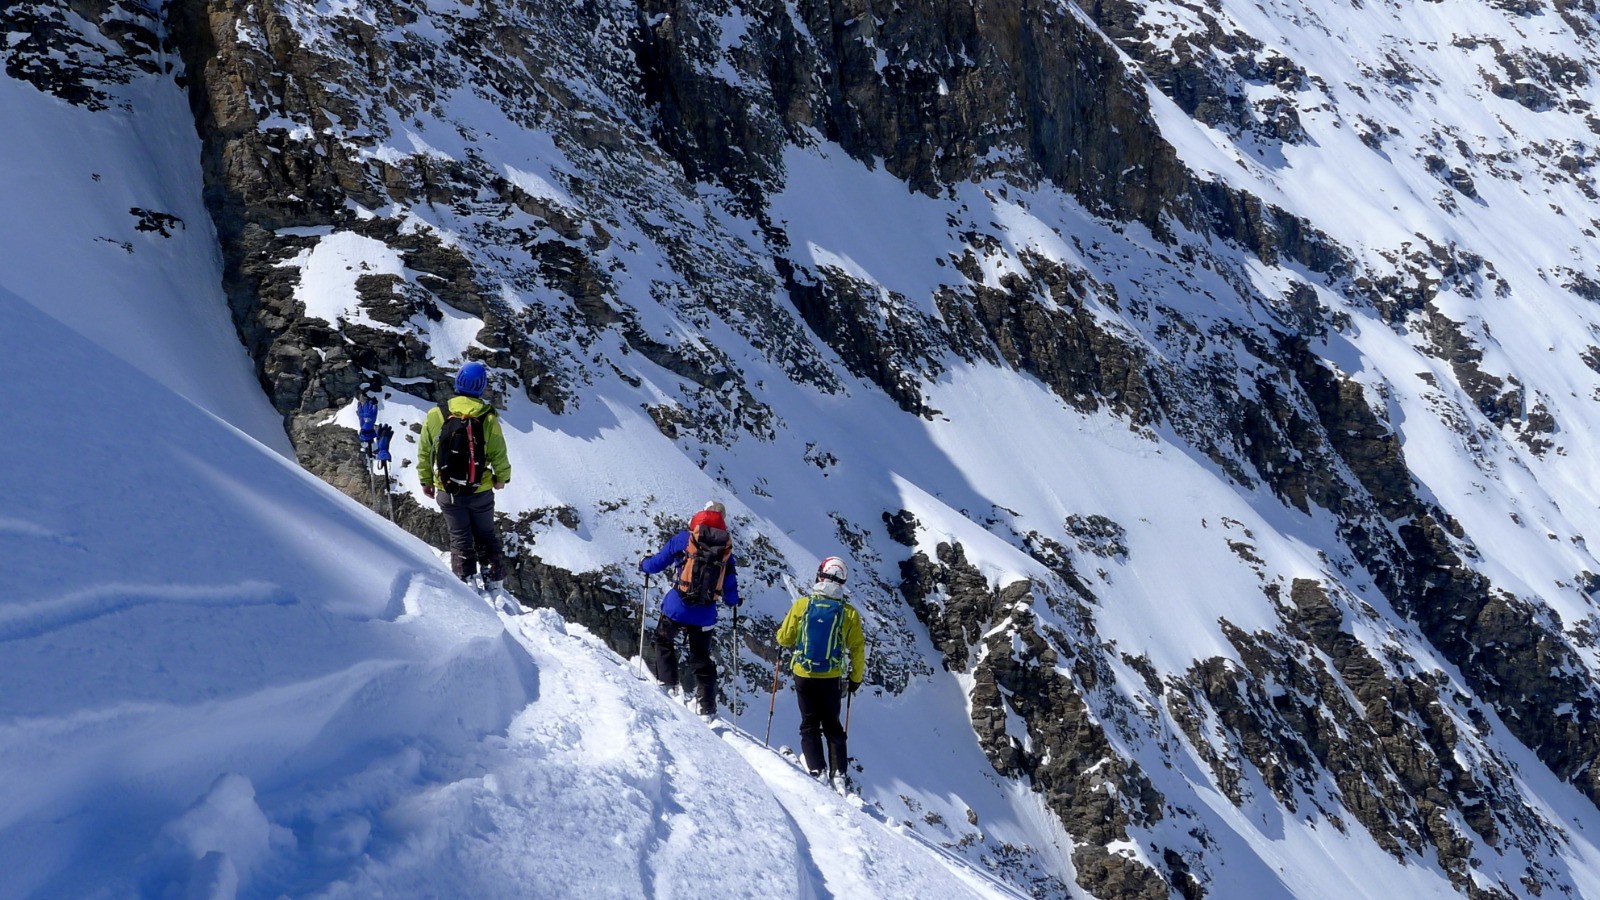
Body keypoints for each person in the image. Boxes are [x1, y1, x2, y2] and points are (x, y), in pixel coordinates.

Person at [640, 501, 741, 718]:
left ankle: (668, 685)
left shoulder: (684, 539)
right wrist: (733, 602)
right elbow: (730, 587)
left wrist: (643, 564)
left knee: (663, 640)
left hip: (677, 607)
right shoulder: (726, 550)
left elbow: (657, 563)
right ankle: (707, 708)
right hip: (705, 615)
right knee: (701, 659)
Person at [417, 361, 511, 587]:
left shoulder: (436, 414)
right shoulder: (488, 417)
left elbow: (425, 452)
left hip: (448, 491)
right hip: (481, 490)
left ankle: (465, 582)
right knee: (486, 534)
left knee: (460, 538)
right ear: (481, 387)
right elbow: (499, 452)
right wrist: (501, 478)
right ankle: (494, 581)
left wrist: (426, 480)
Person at [776, 556, 866, 782]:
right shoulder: (849, 613)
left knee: (809, 723)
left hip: (803, 674)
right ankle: (839, 774)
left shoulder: (802, 605)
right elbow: (857, 649)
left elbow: (785, 639)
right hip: (831, 676)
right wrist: (855, 678)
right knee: (833, 725)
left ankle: (817, 770)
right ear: (842, 582)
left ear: (820, 575)